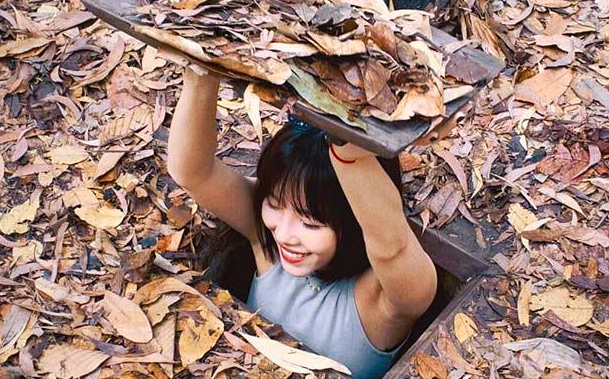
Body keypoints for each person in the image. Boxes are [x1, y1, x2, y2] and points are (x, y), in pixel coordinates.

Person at [168, 67, 449, 379]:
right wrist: (199, 72)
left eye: (311, 224)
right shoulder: (268, 241)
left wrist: (350, 155)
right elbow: (194, 172)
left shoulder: (378, 301)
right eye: (273, 205)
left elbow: (393, 249)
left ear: (356, 222)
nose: (285, 233)